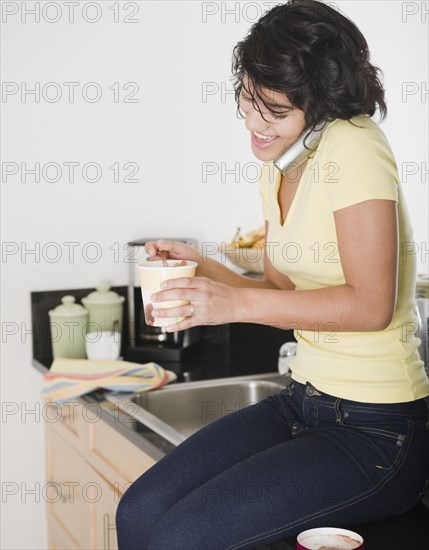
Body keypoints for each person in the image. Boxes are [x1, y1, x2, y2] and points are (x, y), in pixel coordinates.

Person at [116, 1, 429, 548]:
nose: (256, 124)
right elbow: (284, 295)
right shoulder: (279, 165)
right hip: (302, 402)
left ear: (322, 105)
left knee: (181, 538)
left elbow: (370, 304)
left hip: (376, 431)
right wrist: (201, 271)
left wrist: (232, 306)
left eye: (276, 112)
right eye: (249, 100)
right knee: (138, 512)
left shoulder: (354, 145)